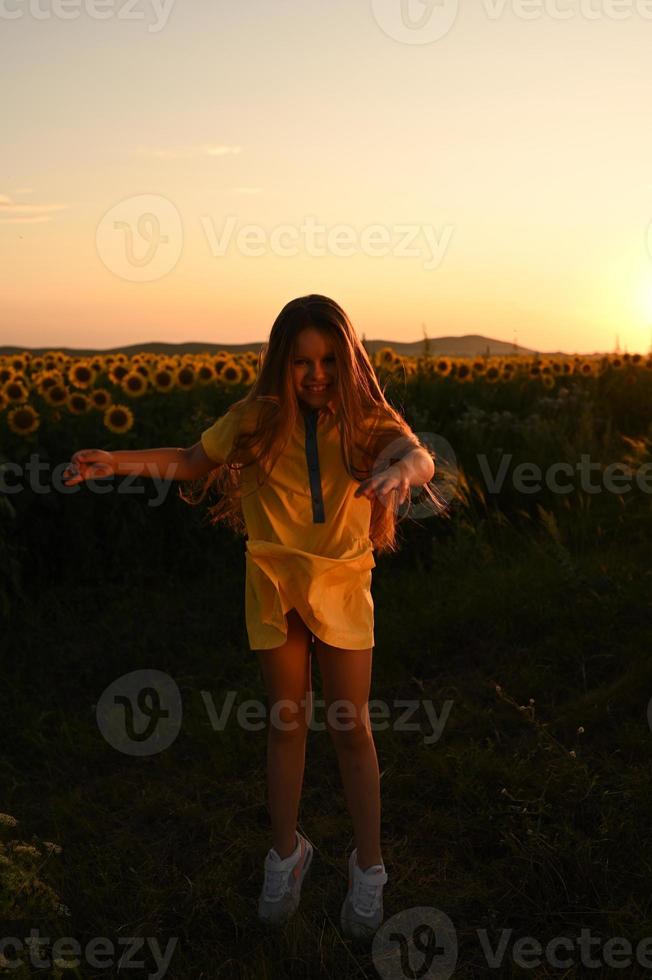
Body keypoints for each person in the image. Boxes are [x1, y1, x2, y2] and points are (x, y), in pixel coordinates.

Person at [63, 294, 439, 942]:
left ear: (348, 362)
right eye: (301, 362)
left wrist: (403, 472)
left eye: (328, 360)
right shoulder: (256, 419)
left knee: (351, 728)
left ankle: (369, 867)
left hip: (341, 582)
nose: (316, 374)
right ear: (280, 364)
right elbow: (188, 461)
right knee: (286, 722)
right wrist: (114, 463)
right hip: (272, 581)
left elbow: (420, 456)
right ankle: (286, 856)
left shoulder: (367, 419)